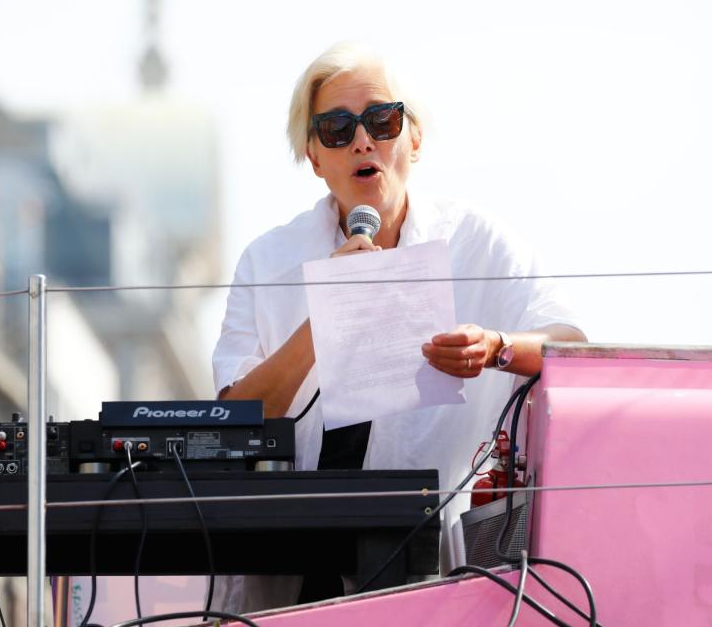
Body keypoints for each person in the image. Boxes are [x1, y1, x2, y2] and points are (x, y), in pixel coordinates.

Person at [211, 42, 586, 612]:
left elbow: (573, 347)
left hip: (434, 577)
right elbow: (236, 417)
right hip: (286, 584)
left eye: (382, 120)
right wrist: (326, 315)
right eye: (337, 128)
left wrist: (496, 348)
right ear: (314, 156)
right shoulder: (268, 260)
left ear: (413, 137)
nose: (363, 140)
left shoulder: (478, 241)